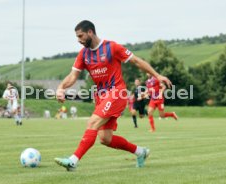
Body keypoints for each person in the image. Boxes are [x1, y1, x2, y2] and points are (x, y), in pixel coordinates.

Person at [54, 20, 172, 171]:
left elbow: (136, 61)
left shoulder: (112, 47)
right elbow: (73, 76)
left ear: (90, 32)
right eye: (77, 37)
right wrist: (61, 87)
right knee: (105, 139)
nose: (79, 40)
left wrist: (157, 76)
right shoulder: (83, 54)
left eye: (81, 36)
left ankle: (73, 161)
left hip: (117, 93)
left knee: (92, 123)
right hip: (101, 97)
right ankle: (141, 152)